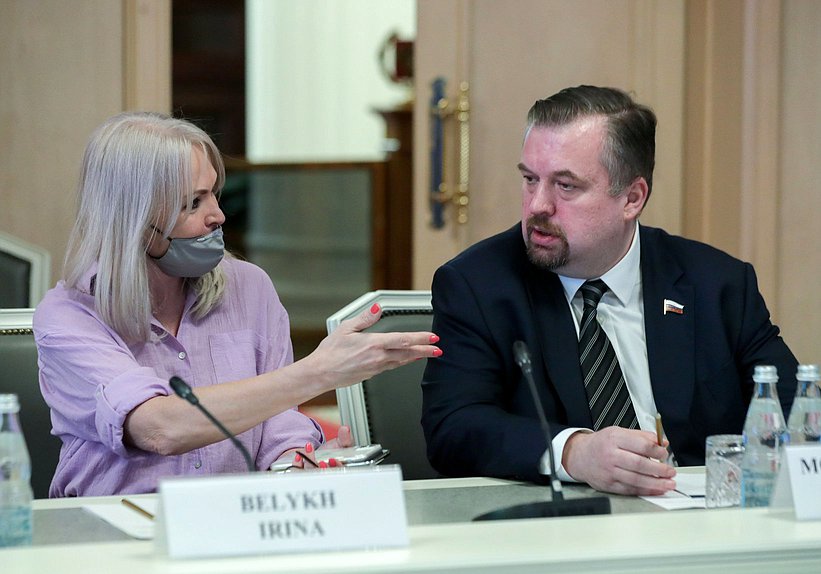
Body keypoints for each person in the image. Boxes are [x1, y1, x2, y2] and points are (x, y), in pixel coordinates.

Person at [34, 111, 441, 497]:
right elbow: (159, 428)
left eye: (214, 193)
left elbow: (279, 421)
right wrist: (320, 371)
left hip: (238, 521)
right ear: (134, 217)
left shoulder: (249, 288)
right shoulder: (69, 316)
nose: (218, 216)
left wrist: (294, 463)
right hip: (114, 536)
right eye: (193, 203)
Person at [421, 85, 797, 496]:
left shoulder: (717, 284)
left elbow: (795, 413)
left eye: (565, 186)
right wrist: (573, 453)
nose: (536, 206)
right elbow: (452, 428)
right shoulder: (479, 285)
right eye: (530, 179)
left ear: (632, 198)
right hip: (562, 536)